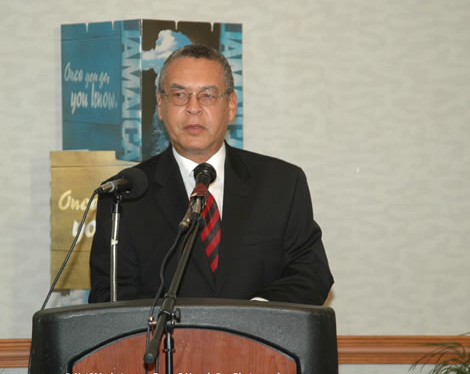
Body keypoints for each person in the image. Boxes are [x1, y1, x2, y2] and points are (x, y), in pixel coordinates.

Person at [88, 44, 333, 305]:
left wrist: (255, 317)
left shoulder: (282, 183)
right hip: (166, 344)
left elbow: (311, 275)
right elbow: (109, 292)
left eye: (208, 95)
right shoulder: (126, 194)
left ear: (231, 106)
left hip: (258, 342)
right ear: (160, 105)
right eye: (179, 94)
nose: (193, 108)